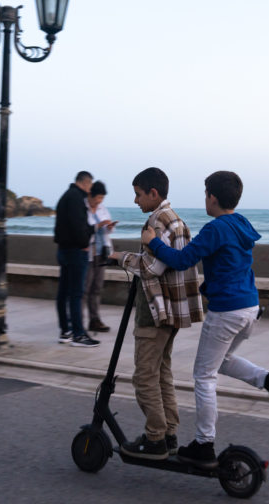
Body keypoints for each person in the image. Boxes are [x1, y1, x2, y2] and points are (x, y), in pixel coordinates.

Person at [141, 170, 269, 469]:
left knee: (203, 375)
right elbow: (231, 264)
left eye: (205, 195)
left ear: (212, 197)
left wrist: (153, 242)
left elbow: (182, 259)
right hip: (250, 307)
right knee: (221, 361)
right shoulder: (241, 224)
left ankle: (204, 443)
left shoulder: (216, 229)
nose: (205, 200)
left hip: (226, 311)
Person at [108, 167, 203, 460]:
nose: (135, 201)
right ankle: (169, 432)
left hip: (156, 309)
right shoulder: (177, 219)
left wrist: (118, 257)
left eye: (138, 194)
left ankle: (155, 439)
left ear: (153, 193)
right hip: (173, 309)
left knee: (144, 377)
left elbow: (152, 268)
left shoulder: (157, 221)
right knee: (162, 373)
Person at [53, 171, 100, 347]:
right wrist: (85, 240)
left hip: (63, 250)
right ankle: (79, 335)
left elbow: (64, 226)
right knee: (76, 294)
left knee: (63, 292)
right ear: (86, 183)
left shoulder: (65, 196)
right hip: (76, 251)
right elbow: (77, 225)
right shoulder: (76, 198)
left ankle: (65, 331)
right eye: (90, 186)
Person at [84, 180, 116, 333]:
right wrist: (98, 225)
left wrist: (109, 227)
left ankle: (94, 320)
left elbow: (108, 233)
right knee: (84, 289)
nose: (99, 201)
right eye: (98, 198)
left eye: (102, 198)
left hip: (101, 252)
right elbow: (83, 229)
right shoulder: (83, 208)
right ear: (90, 195)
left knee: (97, 288)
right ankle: (78, 322)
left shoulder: (103, 209)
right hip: (87, 252)